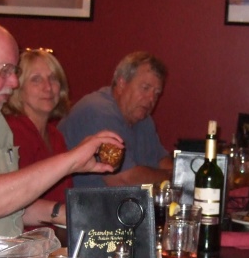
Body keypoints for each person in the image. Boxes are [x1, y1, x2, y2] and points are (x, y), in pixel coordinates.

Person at [0, 18, 123, 236]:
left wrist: (76, 214)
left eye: (14, 71)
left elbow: (9, 205)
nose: (15, 82)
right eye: (5, 70)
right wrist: (70, 161)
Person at [58, 51, 172, 187]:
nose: (151, 99)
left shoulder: (143, 118)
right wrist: (172, 177)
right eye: (145, 88)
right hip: (76, 205)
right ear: (122, 83)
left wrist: (176, 172)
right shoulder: (98, 110)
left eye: (157, 93)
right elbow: (122, 179)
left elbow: (161, 160)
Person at [3, 48, 72, 210]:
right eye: (36, 79)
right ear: (18, 89)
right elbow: (15, 199)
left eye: (53, 78)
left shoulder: (55, 136)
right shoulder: (12, 132)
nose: (47, 87)